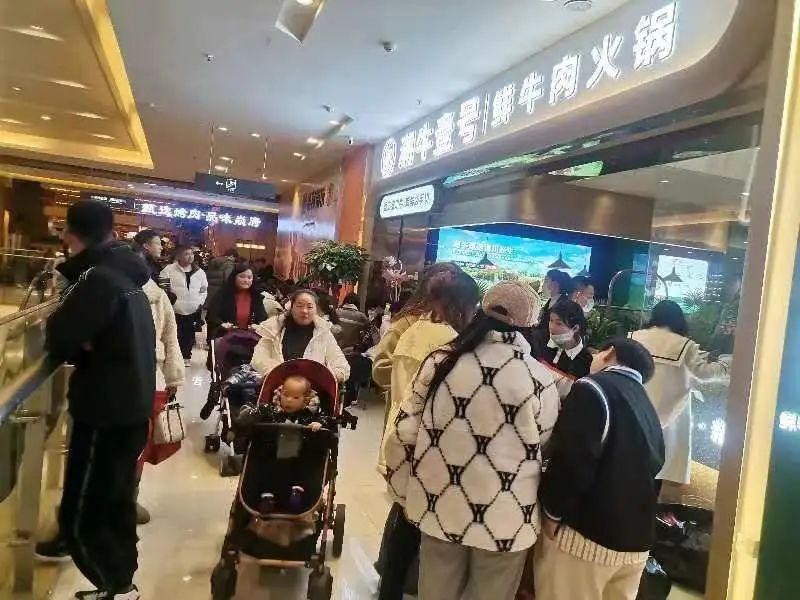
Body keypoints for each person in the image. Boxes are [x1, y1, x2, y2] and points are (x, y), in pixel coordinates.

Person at [384, 281, 560, 600]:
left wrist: (403, 492)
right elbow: (545, 441)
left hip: (439, 505)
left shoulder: (441, 361)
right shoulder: (539, 377)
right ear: (530, 326)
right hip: (506, 518)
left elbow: (403, 432)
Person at [45, 200, 156, 600]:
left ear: (70, 234)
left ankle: (115, 586)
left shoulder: (100, 279)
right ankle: (121, 582)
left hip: (105, 412)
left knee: (81, 516)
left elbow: (59, 336)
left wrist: (82, 343)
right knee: (117, 503)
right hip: (131, 407)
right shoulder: (127, 273)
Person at [377, 270, 481, 600]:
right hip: (427, 445)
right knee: (418, 528)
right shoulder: (448, 345)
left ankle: (389, 588)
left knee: (403, 519)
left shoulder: (413, 330)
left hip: (400, 434)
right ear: (462, 304)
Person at [535, 338, 664, 600]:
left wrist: (551, 513)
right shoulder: (648, 408)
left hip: (587, 538)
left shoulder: (592, 387)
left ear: (610, 353)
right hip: (637, 543)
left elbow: (572, 461)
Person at [631, 300, 729, 488]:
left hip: (635, 407)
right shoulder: (684, 345)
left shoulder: (635, 337)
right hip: (669, 413)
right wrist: (727, 364)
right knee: (662, 459)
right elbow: (704, 373)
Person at [250, 289, 350, 382]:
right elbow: (258, 359)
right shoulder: (274, 329)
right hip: (278, 386)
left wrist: (326, 376)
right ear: (291, 307)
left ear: (316, 309)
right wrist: (279, 373)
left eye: (309, 307)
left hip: (312, 390)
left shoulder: (323, 332)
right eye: (299, 306)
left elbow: (342, 366)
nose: (304, 311)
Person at [161, 246, 208, 366]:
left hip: (193, 309)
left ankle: (186, 356)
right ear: (179, 256)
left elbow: (204, 290)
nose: (190, 256)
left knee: (190, 334)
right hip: (174, 310)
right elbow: (163, 289)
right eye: (186, 254)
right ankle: (173, 357)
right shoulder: (168, 269)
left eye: (191, 254)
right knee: (174, 334)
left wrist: (199, 302)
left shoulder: (200, 272)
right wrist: (170, 303)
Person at [206, 262, 268, 339]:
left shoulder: (256, 297)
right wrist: (222, 324)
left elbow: (263, 319)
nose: (246, 280)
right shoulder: (223, 294)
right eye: (242, 276)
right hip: (226, 339)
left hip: (249, 339)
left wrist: (258, 326)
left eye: (249, 277)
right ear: (234, 277)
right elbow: (211, 316)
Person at [538, 299, 593, 383]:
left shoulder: (585, 360)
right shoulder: (540, 340)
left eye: (559, 323)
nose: (552, 327)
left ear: (575, 328)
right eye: (551, 320)